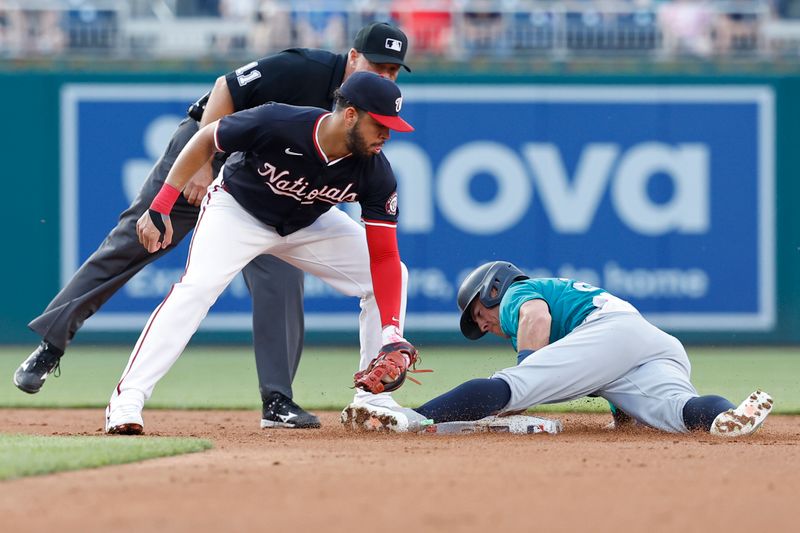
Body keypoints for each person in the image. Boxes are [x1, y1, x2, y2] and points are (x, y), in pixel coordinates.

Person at [14, 22, 412, 430]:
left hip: (299, 210)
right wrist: (186, 184)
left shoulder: (374, 162)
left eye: (393, 71)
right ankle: (66, 354)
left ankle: (290, 401)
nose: (384, 76)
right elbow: (222, 101)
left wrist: (392, 333)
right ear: (352, 59)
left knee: (288, 282)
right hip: (223, 166)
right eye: (377, 66)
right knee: (151, 250)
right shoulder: (300, 77)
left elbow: (383, 255)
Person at [104, 71, 417, 435]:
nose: (387, 135)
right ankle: (128, 399)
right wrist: (161, 204)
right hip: (238, 211)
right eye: (379, 124)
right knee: (198, 289)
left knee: (396, 273)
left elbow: (382, 259)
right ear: (350, 115)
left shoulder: (377, 173)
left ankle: (371, 402)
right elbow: (206, 138)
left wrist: (391, 332)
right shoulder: (279, 121)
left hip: (307, 223)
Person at [343, 261, 774, 437]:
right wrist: (624, 411)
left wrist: (529, 380)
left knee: (510, 386)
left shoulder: (516, 294)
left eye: (478, 314)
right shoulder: (556, 293)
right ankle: (727, 416)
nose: (484, 326)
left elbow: (535, 317)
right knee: (679, 411)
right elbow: (606, 361)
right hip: (653, 346)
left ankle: (413, 418)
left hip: (613, 332)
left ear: (493, 290)